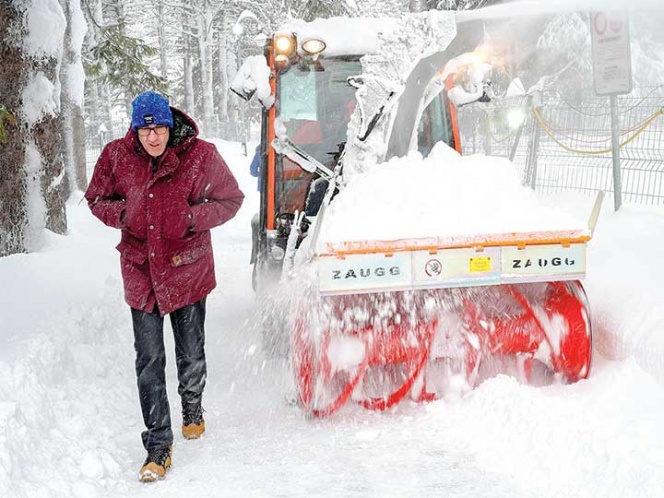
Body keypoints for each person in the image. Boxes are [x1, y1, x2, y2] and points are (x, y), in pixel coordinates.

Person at [85, 91, 244, 482]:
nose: (152, 137)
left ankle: (192, 406)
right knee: (149, 358)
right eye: (145, 129)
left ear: (170, 127)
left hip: (186, 266)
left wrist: (191, 218)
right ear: (135, 129)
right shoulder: (116, 156)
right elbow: (95, 198)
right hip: (141, 270)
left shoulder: (200, 155)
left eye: (158, 128)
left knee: (190, 352)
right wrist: (122, 213)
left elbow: (230, 199)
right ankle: (158, 445)